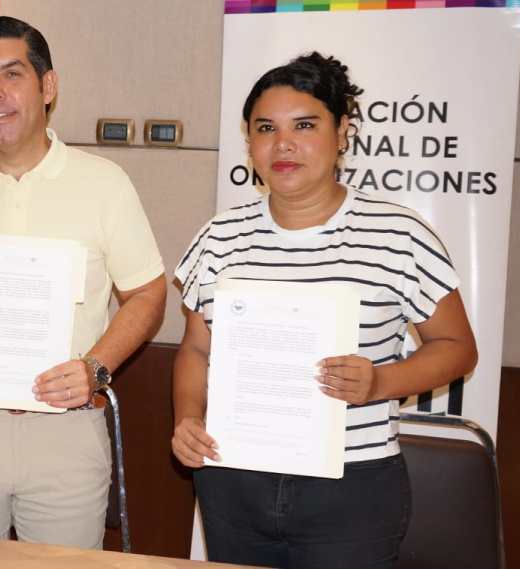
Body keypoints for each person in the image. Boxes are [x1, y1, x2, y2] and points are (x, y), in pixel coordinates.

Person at [171, 52, 478, 568]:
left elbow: (457, 348)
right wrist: (187, 417)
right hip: (232, 476)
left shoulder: (398, 234)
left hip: (351, 488)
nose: (283, 143)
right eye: (266, 128)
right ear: (249, 142)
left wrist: (381, 382)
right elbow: (197, 349)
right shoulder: (220, 236)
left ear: (342, 134)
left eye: (305, 125)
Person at [0, 16, 166, 548]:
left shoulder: (104, 184)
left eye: (11, 74)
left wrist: (95, 369)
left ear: (48, 86)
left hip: (65, 428)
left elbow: (147, 294)